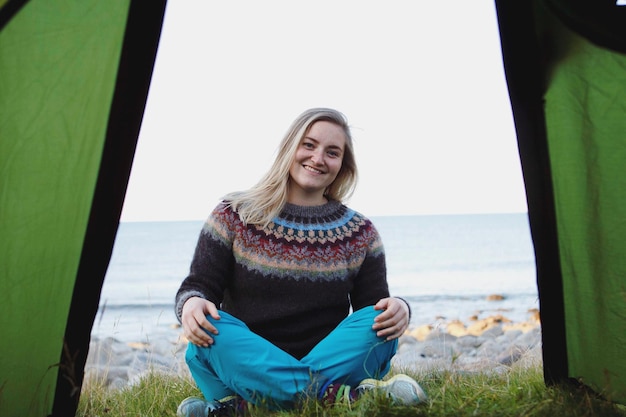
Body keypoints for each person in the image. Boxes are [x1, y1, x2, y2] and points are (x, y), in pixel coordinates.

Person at [174, 108, 427, 416]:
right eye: (309, 145)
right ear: (290, 147)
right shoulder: (233, 213)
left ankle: (241, 408)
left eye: (332, 152)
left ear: (342, 166)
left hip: (331, 359)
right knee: (210, 328)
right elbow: (199, 287)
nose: (318, 158)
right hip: (243, 363)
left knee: (379, 326)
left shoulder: (360, 233)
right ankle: (346, 398)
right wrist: (190, 305)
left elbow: (371, 310)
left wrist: (398, 307)